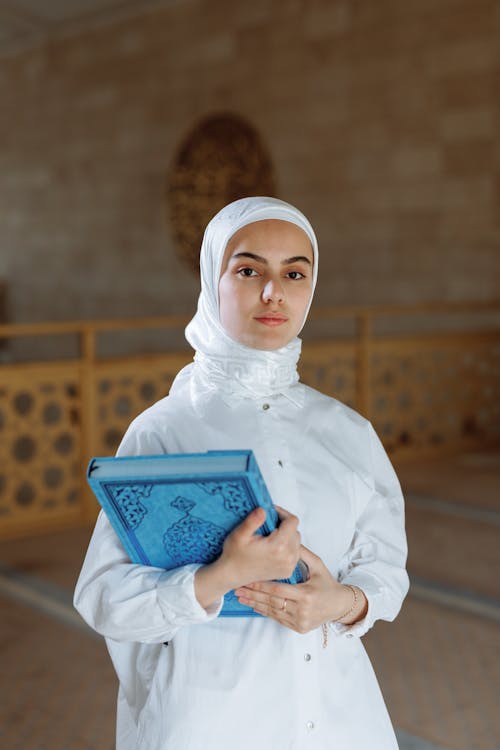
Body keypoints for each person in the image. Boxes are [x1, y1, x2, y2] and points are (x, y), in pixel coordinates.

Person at [74, 196, 409, 750]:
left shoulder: (347, 432)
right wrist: (219, 577)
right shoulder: (164, 432)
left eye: (294, 273)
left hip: (340, 720)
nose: (273, 292)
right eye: (249, 270)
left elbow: (387, 571)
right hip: (210, 723)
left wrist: (344, 603)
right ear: (213, 279)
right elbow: (104, 596)